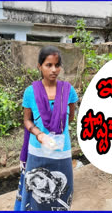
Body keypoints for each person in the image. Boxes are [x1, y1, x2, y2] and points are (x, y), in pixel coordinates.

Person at [14, 46, 78, 211]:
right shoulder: (30, 92)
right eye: (48, 65)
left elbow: (71, 116)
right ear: (39, 66)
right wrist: (40, 134)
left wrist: (58, 128)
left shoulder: (67, 90)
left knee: (62, 193)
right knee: (35, 194)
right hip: (37, 152)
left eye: (57, 65)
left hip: (61, 151)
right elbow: (27, 121)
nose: (54, 70)